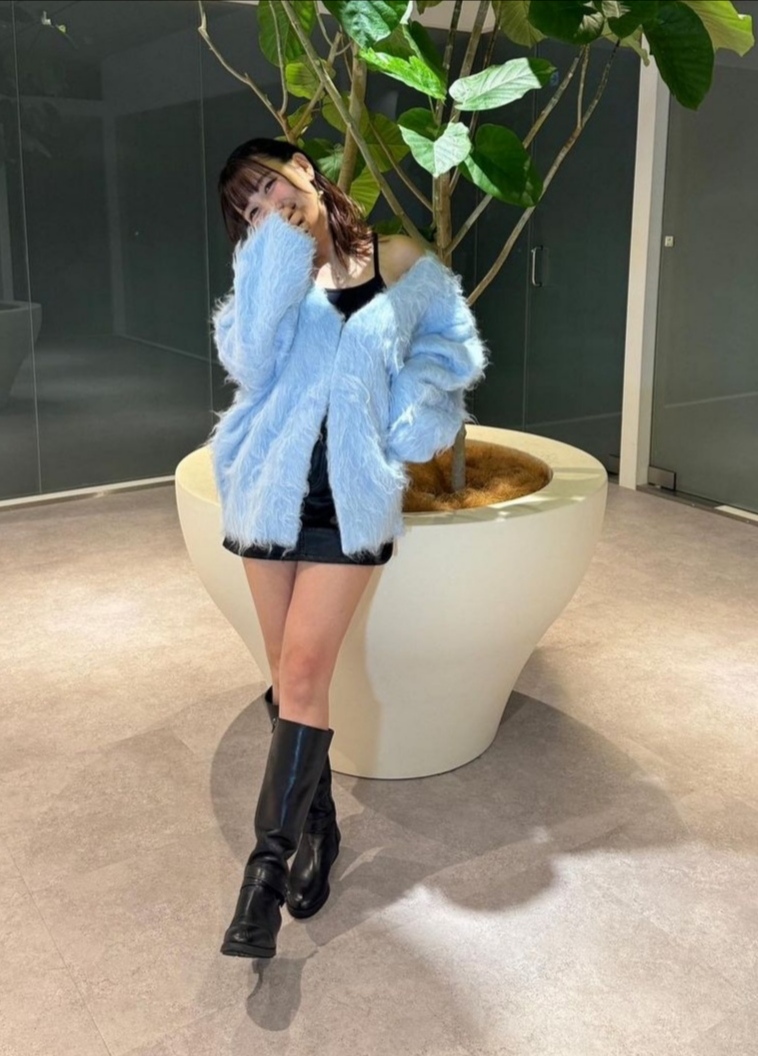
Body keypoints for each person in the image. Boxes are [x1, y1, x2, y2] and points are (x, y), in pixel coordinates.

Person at [210, 136, 488, 959]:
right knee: (288, 675)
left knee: (303, 669)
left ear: (305, 167)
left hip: (348, 503)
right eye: (249, 208)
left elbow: (448, 348)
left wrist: (411, 420)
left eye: (271, 185)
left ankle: (262, 880)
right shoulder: (269, 272)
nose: (269, 207)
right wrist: (273, 262)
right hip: (267, 489)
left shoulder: (395, 260)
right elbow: (247, 363)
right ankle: (319, 826)